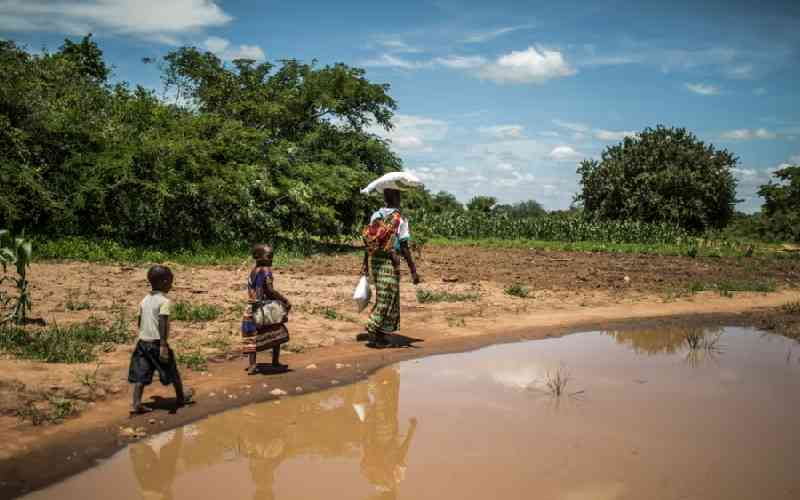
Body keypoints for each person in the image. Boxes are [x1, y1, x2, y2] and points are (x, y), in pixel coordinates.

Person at [128, 265, 192, 414]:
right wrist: (163, 345)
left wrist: (144, 335)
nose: (171, 285)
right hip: (157, 343)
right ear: (164, 282)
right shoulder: (164, 301)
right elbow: (163, 321)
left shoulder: (144, 300)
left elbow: (139, 321)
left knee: (141, 375)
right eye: (170, 281)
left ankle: (136, 403)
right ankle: (181, 397)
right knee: (172, 371)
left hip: (143, 343)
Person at [361, 188, 420, 348]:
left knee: (385, 296)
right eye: (398, 195)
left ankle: (381, 333)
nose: (400, 198)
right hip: (390, 260)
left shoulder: (376, 215)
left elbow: (369, 242)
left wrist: (366, 264)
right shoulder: (400, 218)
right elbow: (404, 245)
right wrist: (413, 269)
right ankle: (373, 329)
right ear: (395, 197)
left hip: (376, 261)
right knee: (388, 297)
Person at [241, 244, 291, 375]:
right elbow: (270, 290)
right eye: (269, 256)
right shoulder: (266, 271)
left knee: (252, 335)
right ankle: (275, 361)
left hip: (251, 307)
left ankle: (252, 365)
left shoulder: (253, 271)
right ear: (258, 257)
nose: (271, 259)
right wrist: (284, 300)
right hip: (264, 307)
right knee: (277, 330)